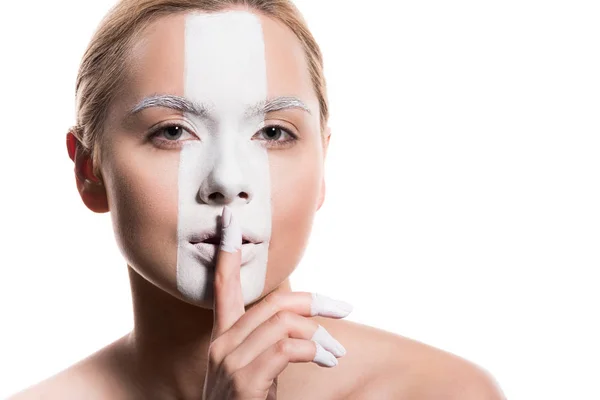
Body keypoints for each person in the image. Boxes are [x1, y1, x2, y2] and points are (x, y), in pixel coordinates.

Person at [10, 0, 505, 398]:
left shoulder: (441, 392)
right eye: (173, 131)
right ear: (89, 170)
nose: (227, 179)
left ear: (322, 165)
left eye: (273, 132)